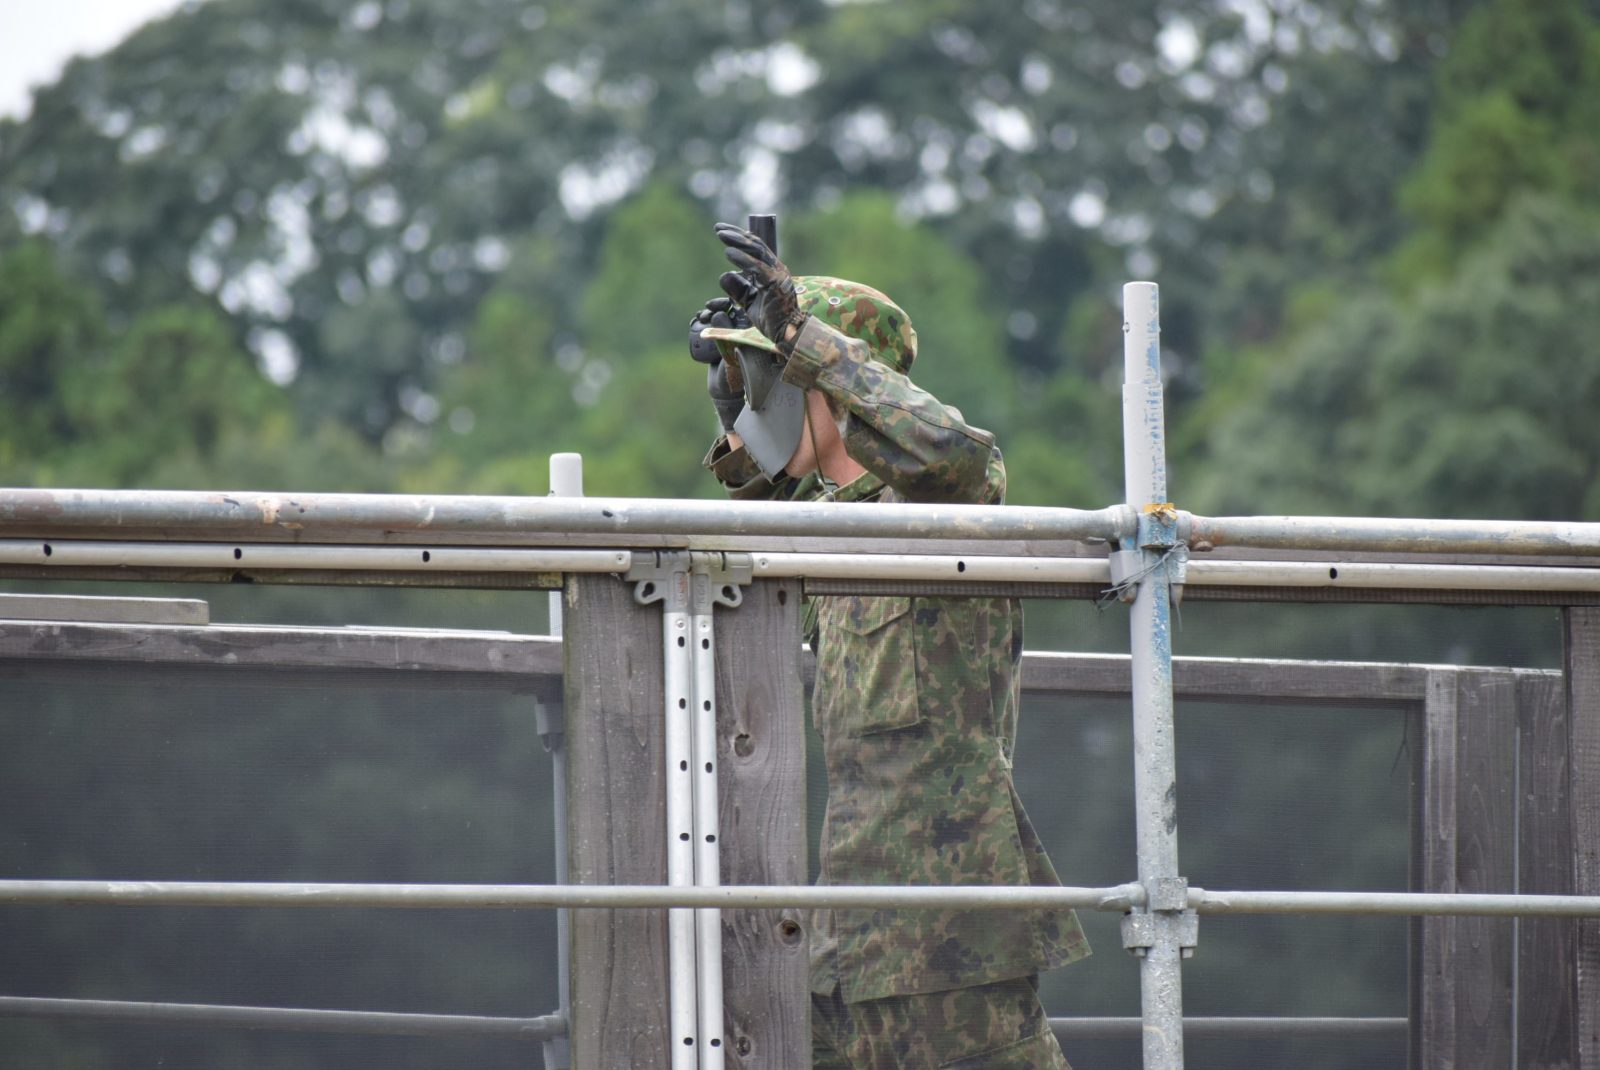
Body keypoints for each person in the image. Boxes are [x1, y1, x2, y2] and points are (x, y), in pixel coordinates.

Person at [689, 222, 1090, 1069]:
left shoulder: (938, 513)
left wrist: (802, 340)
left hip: (945, 926)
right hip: (850, 926)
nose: (762, 396)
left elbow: (958, 456)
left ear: (831, 379)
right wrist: (735, 403)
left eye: (771, 379)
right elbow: (747, 543)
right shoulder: (832, 529)